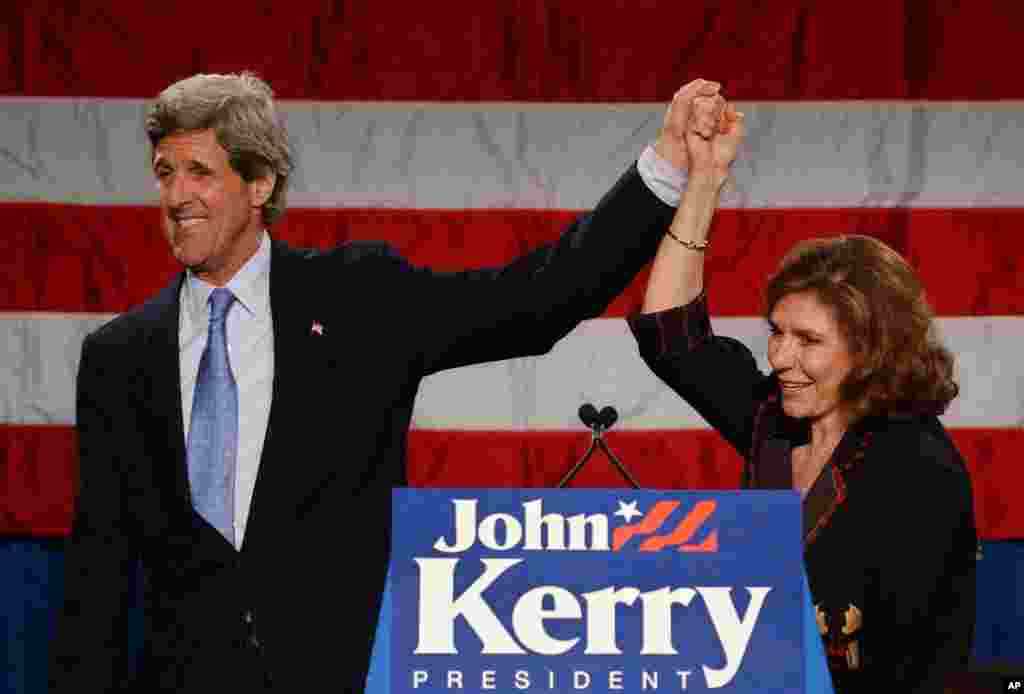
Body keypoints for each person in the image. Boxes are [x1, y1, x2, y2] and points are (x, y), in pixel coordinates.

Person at [48, 72, 729, 692]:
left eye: (199, 171)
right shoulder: (120, 356)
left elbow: (539, 299)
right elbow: (96, 582)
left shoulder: (357, 300)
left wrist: (664, 170)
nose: (175, 196)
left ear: (260, 185)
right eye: (165, 172)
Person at [627, 98, 977, 692]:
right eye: (777, 333)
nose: (780, 358)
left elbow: (919, 669)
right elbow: (670, 336)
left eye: (808, 340)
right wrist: (705, 180)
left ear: (873, 348)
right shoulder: (775, 420)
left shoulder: (919, 468)